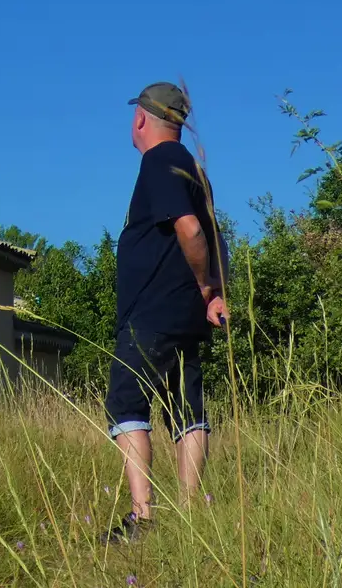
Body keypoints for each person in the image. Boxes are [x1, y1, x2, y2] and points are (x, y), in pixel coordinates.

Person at [104, 81, 228, 543]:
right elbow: (216, 238)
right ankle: (192, 517)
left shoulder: (159, 162)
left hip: (151, 313)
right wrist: (214, 293)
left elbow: (192, 230)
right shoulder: (195, 170)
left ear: (141, 118)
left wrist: (204, 284)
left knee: (126, 404)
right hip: (186, 315)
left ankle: (143, 519)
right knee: (186, 407)